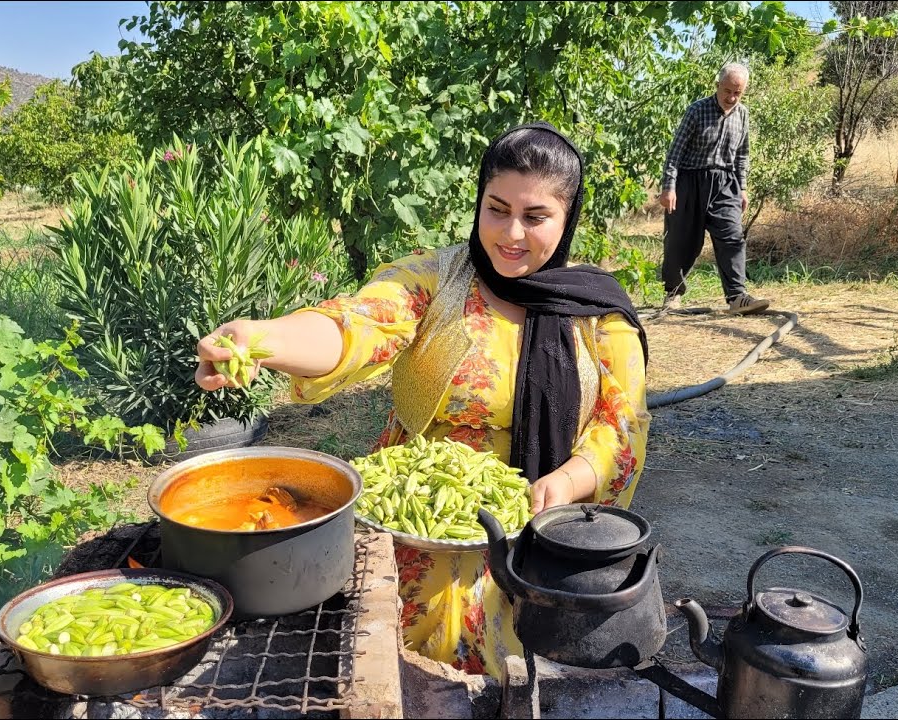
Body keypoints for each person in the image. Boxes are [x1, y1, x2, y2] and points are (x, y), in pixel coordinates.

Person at [194, 122, 650, 679]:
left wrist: (568, 482)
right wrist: (265, 340)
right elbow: (360, 323)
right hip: (414, 526)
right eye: (496, 209)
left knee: (517, 681)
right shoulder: (438, 280)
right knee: (402, 674)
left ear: (568, 216)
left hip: (534, 527)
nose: (511, 233)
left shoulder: (596, 311)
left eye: (535, 217)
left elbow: (622, 425)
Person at [658, 62, 770, 315]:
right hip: (690, 181)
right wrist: (669, 187)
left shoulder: (742, 114)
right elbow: (675, 152)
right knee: (682, 240)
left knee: (732, 236)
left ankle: (737, 297)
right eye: (727, 91)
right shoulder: (696, 110)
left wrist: (742, 188)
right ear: (717, 85)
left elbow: (742, 155)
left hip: (726, 183)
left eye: (738, 93)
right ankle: (673, 294)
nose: (731, 97)